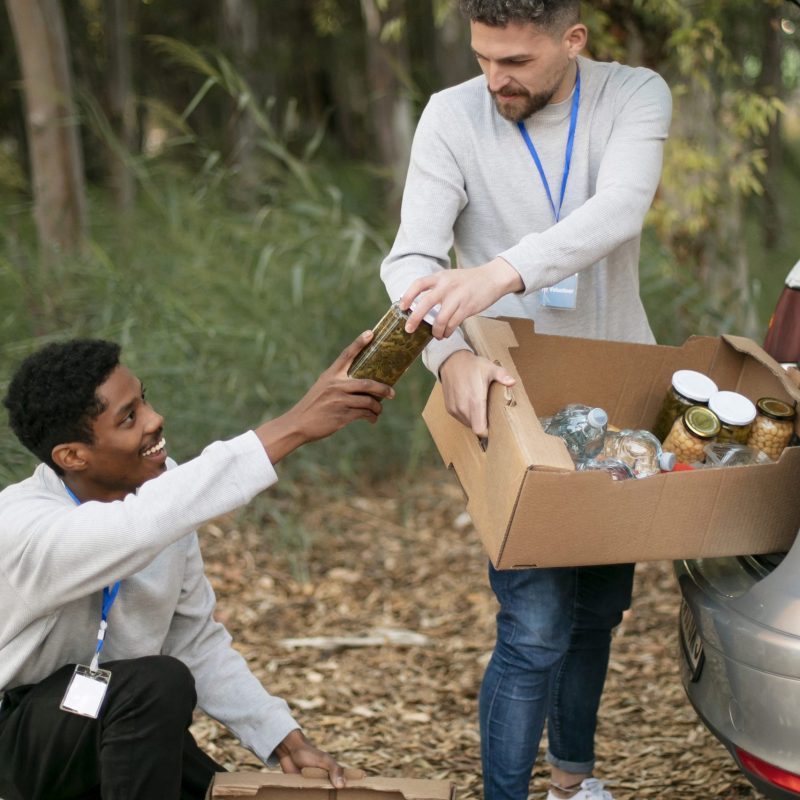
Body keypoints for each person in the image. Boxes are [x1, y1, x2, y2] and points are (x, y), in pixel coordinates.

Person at [380, 2, 672, 799]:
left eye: (515, 62)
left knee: (599, 612)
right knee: (536, 626)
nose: (494, 79)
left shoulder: (634, 94)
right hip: (508, 395)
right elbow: (410, 258)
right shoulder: (452, 115)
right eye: (482, 57)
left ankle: (574, 784)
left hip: (618, 393)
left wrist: (497, 274)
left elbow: (617, 211)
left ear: (572, 41)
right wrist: (445, 359)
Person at [0, 333, 394, 800]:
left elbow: (193, 640)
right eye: (129, 417)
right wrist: (295, 425)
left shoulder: (162, 498)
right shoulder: (22, 526)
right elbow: (134, 529)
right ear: (72, 456)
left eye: (144, 400)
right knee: (156, 684)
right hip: (22, 744)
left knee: (213, 785)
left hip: (115, 721)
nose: (154, 419)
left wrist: (282, 737)